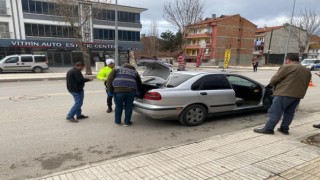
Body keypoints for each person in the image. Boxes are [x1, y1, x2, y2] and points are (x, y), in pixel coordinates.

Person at [254, 54, 311, 135]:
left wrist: (272, 86)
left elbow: (275, 79)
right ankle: (284, 128)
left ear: (288, 60)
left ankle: (268, 128)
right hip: (298, 95)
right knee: (290, 112)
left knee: (275, 111)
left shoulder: (287, 67)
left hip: (284, 93)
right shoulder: (306, 70)